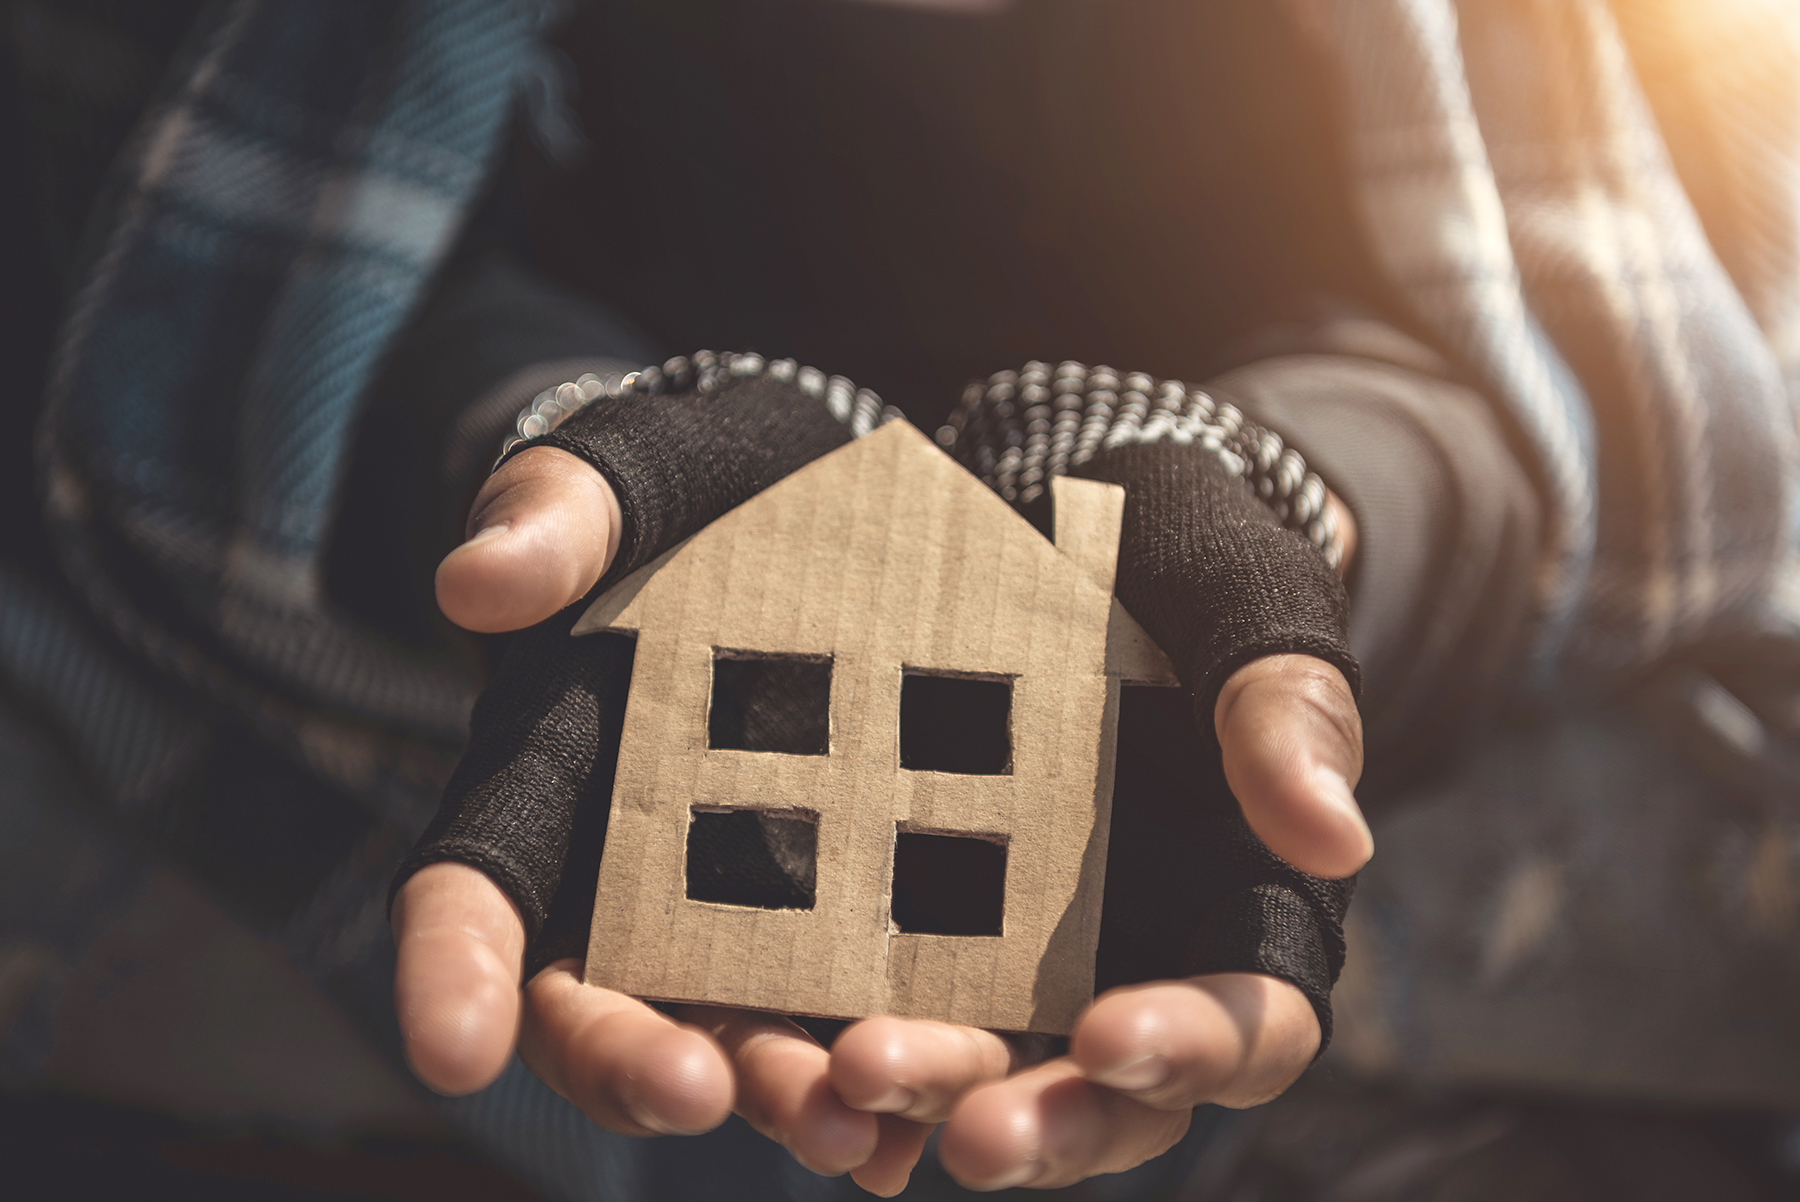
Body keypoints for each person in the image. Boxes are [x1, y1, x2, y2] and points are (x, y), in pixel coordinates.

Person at [4, 0, 1796, 1198]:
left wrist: (1275, 508)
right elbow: (322, 283)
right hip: (483, 657)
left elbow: (1542, 389)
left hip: (1248, 703)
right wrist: (542, 443)